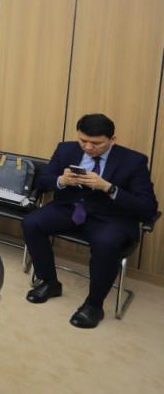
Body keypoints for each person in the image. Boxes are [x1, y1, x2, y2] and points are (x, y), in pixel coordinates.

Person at [23, 114, 158, 329]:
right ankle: (49, 282)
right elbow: (43, 180)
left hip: (110, 217)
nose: (88, 147)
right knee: (32, 223)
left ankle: (94, 304)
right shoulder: (66, 149)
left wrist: (109, 188)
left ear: (112, 140)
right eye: (83, 140)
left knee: (106, 244)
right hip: (70, 208)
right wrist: (61, 180)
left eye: (96, 143)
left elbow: (148, 207)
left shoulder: (133, 161)